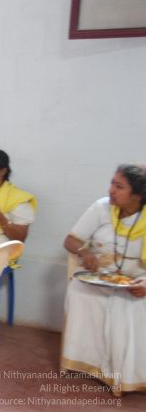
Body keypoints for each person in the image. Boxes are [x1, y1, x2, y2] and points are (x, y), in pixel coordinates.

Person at [61, 164, 146, 395]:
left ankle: (127, 376)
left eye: (119, 186)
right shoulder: (101, 207)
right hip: (100, 276)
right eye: (112, 183)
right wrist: (84, 252)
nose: (111, 190)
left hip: (136, 280)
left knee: (126, 305)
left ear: (137, 195)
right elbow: (70, 240)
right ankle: (87, 365)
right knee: (79, 291)